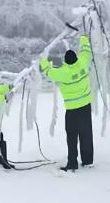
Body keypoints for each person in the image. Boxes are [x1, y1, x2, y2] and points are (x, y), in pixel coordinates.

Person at [39, 34, 93, 171]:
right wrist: (84, 37)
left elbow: (47, 71)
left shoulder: (62, 73)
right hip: (86, 107)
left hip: (72, 110)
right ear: (76, 58)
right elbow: (86, 50)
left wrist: (43, 58)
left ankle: (72, 163)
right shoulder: (83, 63)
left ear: (65, 61)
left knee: (72, 136)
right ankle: (87, 161)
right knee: (86, 134)